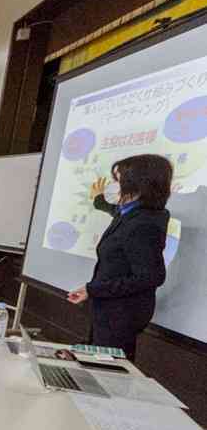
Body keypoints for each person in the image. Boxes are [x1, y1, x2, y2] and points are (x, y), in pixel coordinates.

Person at [69, 154, 172, 360]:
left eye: (121, 181)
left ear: (140, 184)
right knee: (92, 362)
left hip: (121, 315)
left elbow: (151, 277)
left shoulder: (144, 224)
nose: (118, 186)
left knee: (107, 374)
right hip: (108, 307)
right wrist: (99, 200)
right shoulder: (130, 212)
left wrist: (93, 289)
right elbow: (115, 211)